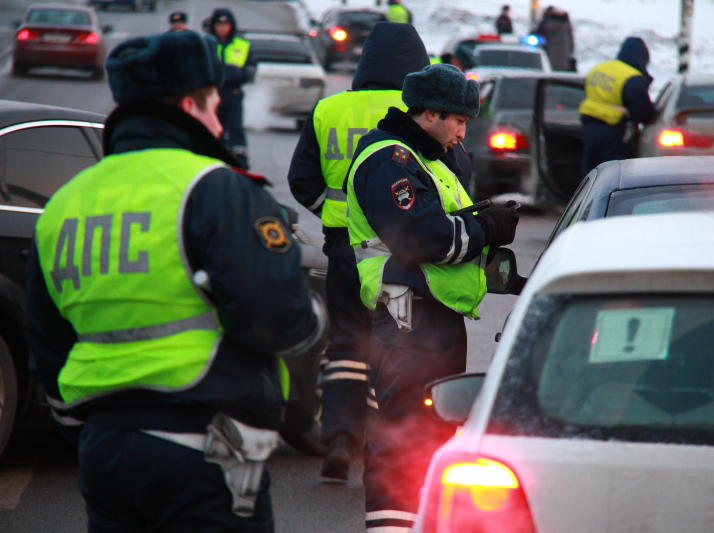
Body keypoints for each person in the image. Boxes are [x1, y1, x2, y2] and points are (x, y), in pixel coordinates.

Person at [24, 30, 327, 533]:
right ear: (191, 104)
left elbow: (48, 342)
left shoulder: (64, 204)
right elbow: (277, 320)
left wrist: (87, 426)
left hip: (105, 450)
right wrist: (315, 319)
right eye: (214, 106)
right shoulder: (216, 187)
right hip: (204, 451)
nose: (219, 120)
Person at [344, 63, 519, 532]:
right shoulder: (390, 161)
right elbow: (421, 238)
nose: (462, 133)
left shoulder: (425, 159)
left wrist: (481, 223)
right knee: (403, 437)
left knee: (429, 434)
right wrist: (486, 228)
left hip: (430, 320)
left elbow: (443, 223)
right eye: (459, 121)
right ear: (429, 114)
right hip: (408, 323)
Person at [288, 22, 430, 483]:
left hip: (343, 251)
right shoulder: (420, 111)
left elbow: (302, 182)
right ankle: (386, 448)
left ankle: (339, 441)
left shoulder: (329, 109)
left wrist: (341, 217)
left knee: (346, 346)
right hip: (400, 256)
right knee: (396, 346)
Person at [578, 36, 656, 176]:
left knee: (590, 171)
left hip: (588, 126)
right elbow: (643, 112)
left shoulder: (599, 68)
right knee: (613, 173)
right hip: (612, 130)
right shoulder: (631, 78)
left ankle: (587, 197)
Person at [209, 8, 255, 169]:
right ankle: (212, 155)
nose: (222, 28)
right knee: (212, 127)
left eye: (226, 25)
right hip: (211, 94)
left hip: (233, 93)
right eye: (218, 25)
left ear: (231, 26)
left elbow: (251, 69)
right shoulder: (206, 44)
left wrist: (237, 75)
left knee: (235, 127)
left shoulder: (242, 45)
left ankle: (239, 158)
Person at [534, 5, 575, 71]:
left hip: (552, 54)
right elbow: (571, 41)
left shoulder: (546, 23)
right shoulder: (565, 23)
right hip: (560, 55)